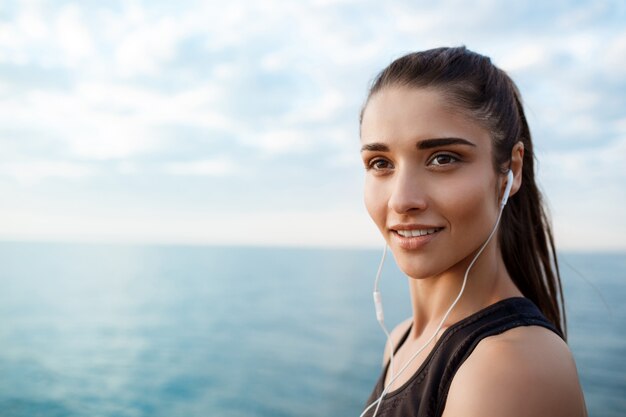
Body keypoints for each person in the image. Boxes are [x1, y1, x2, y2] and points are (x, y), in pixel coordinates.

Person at [358, 47, 587, 417]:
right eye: (380, 163)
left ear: (509, 170)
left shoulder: (510, 368)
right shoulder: (402, 340)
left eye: (443, 159)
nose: (401, 200)